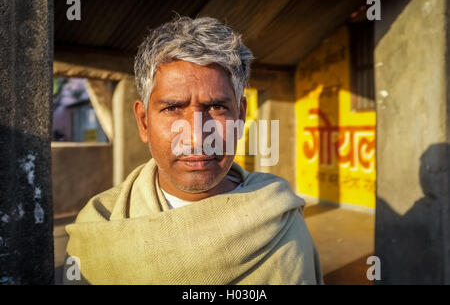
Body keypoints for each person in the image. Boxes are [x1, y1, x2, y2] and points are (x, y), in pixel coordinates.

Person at [64, 16, 323, 285]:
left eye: (216, 107)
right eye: (173, 108)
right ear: (144, 122)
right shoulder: (98, 229)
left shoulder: (282, 219)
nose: (197, 135)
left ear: (241, 116)